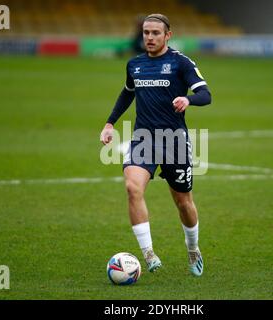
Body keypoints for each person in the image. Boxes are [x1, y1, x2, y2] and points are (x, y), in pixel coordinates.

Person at [100, 14, 211, 276]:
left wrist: (188, 100)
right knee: (132, 187)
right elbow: (127, 92)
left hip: (175, 141)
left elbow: (206, 94)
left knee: (183, 202)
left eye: (155, 33)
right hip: (143, 138)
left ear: (167, 35)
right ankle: (148, 254)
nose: (149, 38)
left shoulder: (180, 63)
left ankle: (193, 247)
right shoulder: (135, 64)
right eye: (146, 33)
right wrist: (109, 123)